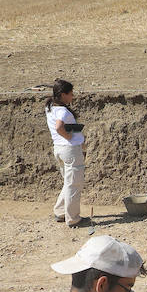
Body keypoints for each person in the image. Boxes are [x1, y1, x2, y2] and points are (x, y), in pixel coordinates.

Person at [45, 79, 89, 227]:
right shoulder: (63, 111)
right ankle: (73, 219)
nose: (72, 96)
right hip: (69, 150)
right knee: (74, 184)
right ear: (63, 94)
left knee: (68, 183)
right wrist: (69, 137)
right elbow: (59, 127)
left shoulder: (50, 106)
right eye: (70, 94)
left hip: (59, 148)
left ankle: (60, 211)